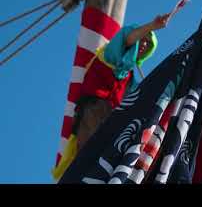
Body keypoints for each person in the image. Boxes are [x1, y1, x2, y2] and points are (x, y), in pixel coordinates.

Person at [52, 13, 170, 180]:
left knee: (103, 160)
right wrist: (151, 26)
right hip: (95, 110)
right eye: (143, 39)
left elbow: (139, 99)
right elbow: (127, 39)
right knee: (91, 156)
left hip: (110, 119)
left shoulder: (129, 78)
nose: (144, 44)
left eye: (148, 44)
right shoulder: (109, 56)